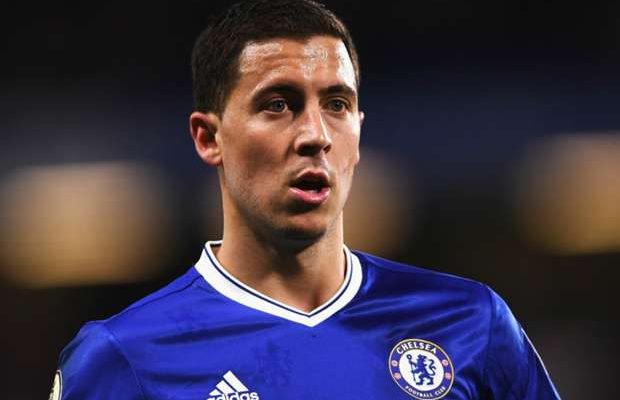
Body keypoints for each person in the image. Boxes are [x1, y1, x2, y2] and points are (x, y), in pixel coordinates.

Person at [51, 0, 561, 399]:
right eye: (278, 104)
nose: (316, 134)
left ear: (358, 132)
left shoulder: (469, 323)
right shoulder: (126, 355)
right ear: (209, 138)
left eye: (337, 104)